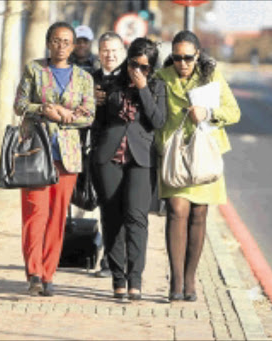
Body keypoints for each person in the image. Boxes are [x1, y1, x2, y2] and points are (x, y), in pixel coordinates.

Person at [154, 30, 240, 302]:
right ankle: (176, 279)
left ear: (198, 55)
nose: (182, 63)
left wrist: (209, 113)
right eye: (177, 57)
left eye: (188, 58)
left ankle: (191, 278)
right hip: (175, 156)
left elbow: (234, 112)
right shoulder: (162, 79)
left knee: (199, 214)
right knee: (177, 210)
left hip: (204, 154)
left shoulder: (211, 77)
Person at [13, 22, 95, 297]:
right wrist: (47, 110)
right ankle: (33, 273)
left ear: (74, 46)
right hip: (36, 151)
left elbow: (89, 115)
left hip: (67, 156)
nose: (61, 46)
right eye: (56, 40)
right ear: (48, 43)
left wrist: (69, 116)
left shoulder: (84, 78)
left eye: (67, 41)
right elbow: (20, 105)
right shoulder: (34, 70)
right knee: (35, 213)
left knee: (57, 217)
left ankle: (48, 274)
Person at [92, 37, 166, 300]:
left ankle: (135, 279)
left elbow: (158, 120)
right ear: (128, 60)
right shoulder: (109, 84)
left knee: (136, 218)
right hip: (108, 158)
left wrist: (143, 88)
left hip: (141, 160)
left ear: (151, 67)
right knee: (112, 219)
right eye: (134, 64)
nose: (138, 70)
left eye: (145, 67)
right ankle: (117, 279)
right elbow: (98, 123)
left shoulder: (157, 86)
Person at [91, 32, 127, 278]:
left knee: (130, 210)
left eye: (114, 50)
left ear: (122, 53)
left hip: (129, 154)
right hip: (101, 153)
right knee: (108, 208)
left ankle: (123, 261)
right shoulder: (88, 80)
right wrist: (90, 100)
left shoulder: (131, 79)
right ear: (99, 52)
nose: (109, 55)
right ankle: (110, 262)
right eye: (105, 50)